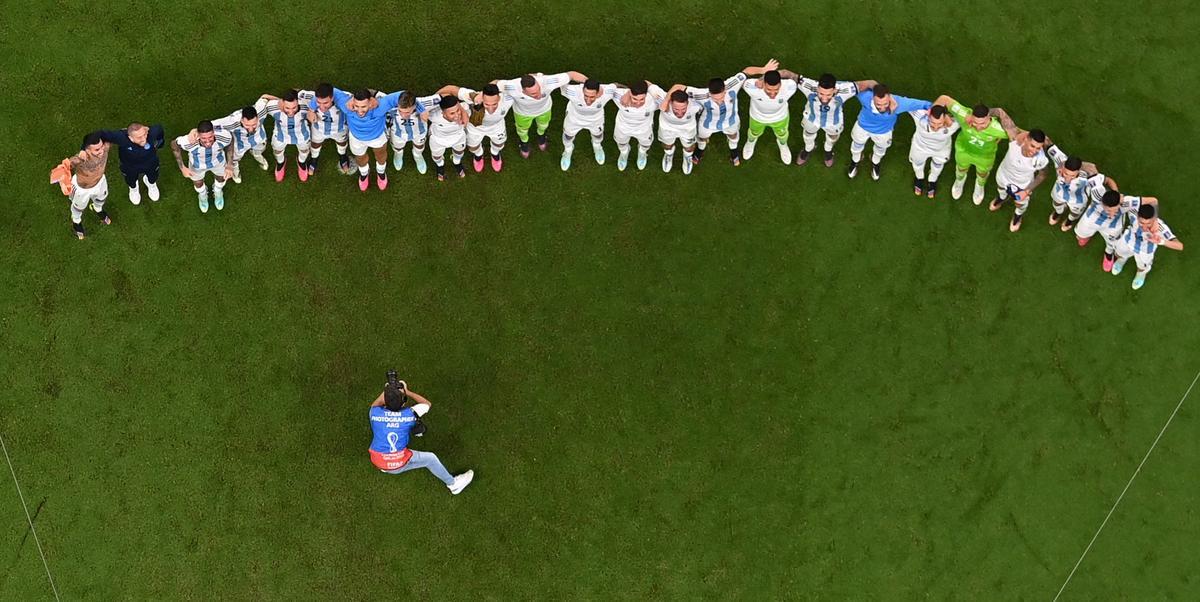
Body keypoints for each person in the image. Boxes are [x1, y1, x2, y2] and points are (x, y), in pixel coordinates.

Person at [368, 380, 474, 495]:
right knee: (431, 459)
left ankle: (385, 467)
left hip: (377, 460)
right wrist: (407, 391)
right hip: (398, 463)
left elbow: (376, 403)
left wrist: (389, 390)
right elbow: (426, 404)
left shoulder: (374, 412)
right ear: (403, 403)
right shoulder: (409, 414)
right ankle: (453, 484)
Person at [684, 59, 779, 167]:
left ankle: (734, 153)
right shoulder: (701, 94)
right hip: (708, 124)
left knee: (733, 136)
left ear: (725, 89)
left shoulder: (732, 85)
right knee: (702, 138)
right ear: (709, 93)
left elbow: (746, 71)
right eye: (715, 99)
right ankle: (699, 151)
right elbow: (679, 88)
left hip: (731, 121)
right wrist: (667, 99)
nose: (719, 101)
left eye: (721, 97)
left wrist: (764, 69)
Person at [935, 95, 1009, 205]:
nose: (978, 127)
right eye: (975, 123)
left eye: (982, 123)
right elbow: (944, 99)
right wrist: (941, 115)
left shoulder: (999, 129)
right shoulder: (964, 114)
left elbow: (1020, 136)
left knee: (982, 173)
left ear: (989, 118)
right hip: (963, 150)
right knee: (961, 169)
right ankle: (959, 181)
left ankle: (979, 186)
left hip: (985, 157)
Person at [847, 84, 931, 180]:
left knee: (880, 149)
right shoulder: (865, 96)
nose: (882, 108)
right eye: (878, 104)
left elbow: (923, 104)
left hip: (884, 133)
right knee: (856, 146)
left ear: (889, 98)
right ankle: (855, 161)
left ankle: (875, 162)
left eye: (885, 104)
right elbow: (851, 86)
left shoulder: (899, 103)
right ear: (872, 98)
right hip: (862, 128)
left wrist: (934, 110)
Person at [495, 71, 588, 157]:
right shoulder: (511, 86)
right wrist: (482, 96)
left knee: (543, 125)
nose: (539, 95)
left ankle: (541, 136)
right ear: (523, 91)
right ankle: (524, 143)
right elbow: (495, 83)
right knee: (522, 130)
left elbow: (571, 75)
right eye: (533, 94)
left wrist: (589, 83)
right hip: (522, 114)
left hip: (544, 110)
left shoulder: (547, 82)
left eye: (539, 89)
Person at [985, 108, 1050, 232]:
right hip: (1003, 175)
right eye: (1032, 146)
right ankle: (1001, 198)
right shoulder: (1014, 139)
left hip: (1022, 185)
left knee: (1020, 204)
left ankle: (1018, 216)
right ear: (1025, 139)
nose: (1034, 151)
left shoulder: (1041, 160)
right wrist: (984, 116)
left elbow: (1043, 175)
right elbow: (1000, 112)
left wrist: (1027, 191)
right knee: (1001, 190)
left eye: (1038, 148)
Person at [792, 73, 875, 167]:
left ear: (835, 90)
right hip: (811, 119)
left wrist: (886, 97)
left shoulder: (845, 90)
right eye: (821, 93)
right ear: (817, 88)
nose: (824, 98)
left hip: (833, 123)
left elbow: (870, 83)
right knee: (808, 135)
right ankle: (808, 148)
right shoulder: (809, 86)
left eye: (828, 94)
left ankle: (828, 151)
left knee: (832, 138)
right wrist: (771, 72)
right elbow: (789, 74)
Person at [331, 87, 404, 191]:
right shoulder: (347, 105)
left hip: (377, 137)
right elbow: (328, 90)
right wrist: (312, 108)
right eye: (357, 106)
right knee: (360, 158)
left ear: (370, 103)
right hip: (356, 139)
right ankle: (364, 174)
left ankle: (381, 173)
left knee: (380, 155)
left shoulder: (380, 106)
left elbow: (404, 94)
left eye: (364, 106)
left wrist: (422, 110)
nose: (360, 111)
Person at [1045, 143, 1115, 232]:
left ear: (1079, 171)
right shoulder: (1060, 161)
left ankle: (1069, 222)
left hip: (1078, 201)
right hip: (1058, 194)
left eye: (1072, 176)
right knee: (1057, 205)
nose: (1068, 179)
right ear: (1063, 167)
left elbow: (1108, 180)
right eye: (1065, 174)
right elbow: (1046, 141)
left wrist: (1115, 195)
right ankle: (1057, 214)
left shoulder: (1087, 176)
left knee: (1075, 213)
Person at [1075, 191, 1152, 272]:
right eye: (1109, 211)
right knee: (1081, 233)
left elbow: (1153, 200)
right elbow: (1105, 179)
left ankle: (1108, 253)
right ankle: (1084, 237)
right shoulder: (1097, 193)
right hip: (1091, 220)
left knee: (1112, 242)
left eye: (1115, 211)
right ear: (1103, 203)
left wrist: (1154, 221)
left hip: (1112, 227)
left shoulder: (1126, 202)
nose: (1112, 215)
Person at [1111, 203, 1183, 289]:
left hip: (1145, 251)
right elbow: (1119, 201)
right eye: (1141, 223)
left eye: (1148, 223)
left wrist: (1162, 241)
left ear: (1154, 219)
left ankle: (1141, 274)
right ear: (1137, 216)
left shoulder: (1160, 227)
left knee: (1142, 266)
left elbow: (1179, 246)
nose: (1145, 227)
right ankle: (1122, 259)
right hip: (1128, 241)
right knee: (1119, 253)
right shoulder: (1132, 211)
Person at [57, 132, 113, 239]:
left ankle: (98, 209)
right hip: (82, 190)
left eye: (101, 147)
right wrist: (63, 183)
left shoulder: (105, 146)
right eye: (96, 150)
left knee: (102, 199)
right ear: (87, 150)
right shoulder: (80, 159)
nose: (101, 151)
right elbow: (60, 169)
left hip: (100, 182)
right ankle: (76, 223)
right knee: (78, 209)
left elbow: (122, 134)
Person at [171, 120, 234, 213]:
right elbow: (174, 145)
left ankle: (218, 191)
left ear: (214, 133)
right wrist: (182, 167)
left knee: (221, 178)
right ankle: (203, 195)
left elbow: (230, 141)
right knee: (198, 183)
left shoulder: (223, 136)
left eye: (210, 137)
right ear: (198, 136)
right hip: (197, 165)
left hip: (218, 162)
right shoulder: (188, 141)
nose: (208, 142)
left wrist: (229, 164)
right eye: (204, 138)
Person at [96, 122, 165, 205]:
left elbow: (159, 129)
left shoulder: (152, 133)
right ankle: (134, 189)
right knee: (130, 180)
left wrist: (159, 144)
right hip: (129, 166)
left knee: (153, 176)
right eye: (139, 137)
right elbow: (100, 135)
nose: (144, 139)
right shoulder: (121, 138)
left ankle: (151, 184)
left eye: (144, 134)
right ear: (130, 138)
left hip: (150, 163)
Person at [210, 96, 272, 184]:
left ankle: (257, 155)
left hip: (259, 138)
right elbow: (210, 125)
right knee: (235, 160)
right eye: (247, 125)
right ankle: (236, 172)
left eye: (254, 125)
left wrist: (280, 100)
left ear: (257, 118)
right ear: (242, 120)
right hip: (240, 144)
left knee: (260, 149)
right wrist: (195, 131)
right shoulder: (232, 121)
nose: (251, 129)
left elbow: (265, 97)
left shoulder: (261, 110)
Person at [741, 67, 798, 163]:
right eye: (768, 90)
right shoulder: (751, 86)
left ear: (780, 84)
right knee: (753, 133)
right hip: (757, 118)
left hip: (780, 118)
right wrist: (760, 79)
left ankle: (783, 145)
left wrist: (762, 78)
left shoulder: (790, 87)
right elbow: (741, 77)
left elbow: (786, 73)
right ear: (763, 84)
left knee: (782, 135)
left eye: (776, 90)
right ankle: (750, 142)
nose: (772, 94)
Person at [559, 78, 618, 171]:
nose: (588, 100)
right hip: (574, 119)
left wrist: (629, 93)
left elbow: (616, 85)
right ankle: (567, 150)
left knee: (598, 135)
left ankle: (597, 146)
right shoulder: (572, 91)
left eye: (592, 97)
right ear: (582, 90)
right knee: (568, 136)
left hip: (595, 120)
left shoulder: (607, 92)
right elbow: (560, 81)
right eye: (586, 95)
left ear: (598, 93)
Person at [458, 84, 514, 172]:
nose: (491, 108)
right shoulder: (473, 98)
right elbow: (451, 90)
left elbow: (521, 84)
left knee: (499, 144)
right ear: (482, 98)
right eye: (487, 104)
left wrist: (539, 75)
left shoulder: (508, 98)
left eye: (494, 104)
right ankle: (478, 155)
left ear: (499, 97)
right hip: (475, 129)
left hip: (497, 127)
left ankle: (495, 154)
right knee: (473, 147)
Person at [907, 104, 959, 197]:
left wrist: (991, 113)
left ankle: (932, 180)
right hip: (919, 148)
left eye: (939, 123)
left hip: (941, 150)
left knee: (938, 165)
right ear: (928, 116)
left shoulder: (954, 123)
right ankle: (919, 178)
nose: (935, 127)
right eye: (932, 123)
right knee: (917, 164)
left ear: (946, 118)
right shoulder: (920, 116)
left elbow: (971, 117)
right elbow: (904, 103)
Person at [300, 84, 352, 176]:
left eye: (325, 103)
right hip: (319, 129)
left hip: (339, 129)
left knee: (342, 142)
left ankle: (342, 156)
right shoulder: (315, 100)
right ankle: (314, 159)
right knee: (315, 143)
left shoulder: (345, 102)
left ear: (332, 98)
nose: (322, 107)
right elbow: (310, 109)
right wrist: (310, 113)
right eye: (319, 102)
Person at [265, 89, 313, 183]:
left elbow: (320, 97)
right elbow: (263, 100)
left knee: (304, 151)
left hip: (302, 135)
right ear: (282, 102)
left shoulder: (306, 105)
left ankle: (301, 162)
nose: (291, 112)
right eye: (287, 108)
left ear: (298, 102)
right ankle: (281, 163)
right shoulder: (272, 107)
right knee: (278, 151)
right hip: (280, 136)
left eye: (294, 107)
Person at [383, 92, 432, 175]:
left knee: (419, 147)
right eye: (400, 111)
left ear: (414, 106)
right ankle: (398, 154)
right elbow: (374, 98)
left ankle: (418, 156)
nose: (403, 115)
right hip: (398, 133)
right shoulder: (391, 106)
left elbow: (443, 97)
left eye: (407, 112)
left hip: (419, 133)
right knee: (398, 147)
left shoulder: (424, 104)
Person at [657, 88, 702, 174]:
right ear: (670, 102)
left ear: (688, 103)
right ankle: (669, 154)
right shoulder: (662, 99)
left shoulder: (696, 105)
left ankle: (687, 157)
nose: (680, 113)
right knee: (667, 145)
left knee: (689, 148)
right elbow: (646, 85)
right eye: (676, 109)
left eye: (683, 109)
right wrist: (627, 96)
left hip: (687, 130)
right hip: (667, 129)